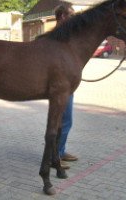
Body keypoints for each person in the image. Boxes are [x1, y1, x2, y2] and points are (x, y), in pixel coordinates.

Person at [54, 5, 78, 169]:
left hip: (66, 81)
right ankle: (56, 154)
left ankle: (60, 151)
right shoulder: (58, 36)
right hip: (60, 84)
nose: (74, 17)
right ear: (62, 16)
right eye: (71, 14)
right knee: (64, 120)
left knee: (65, 120)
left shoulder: (66, 35)